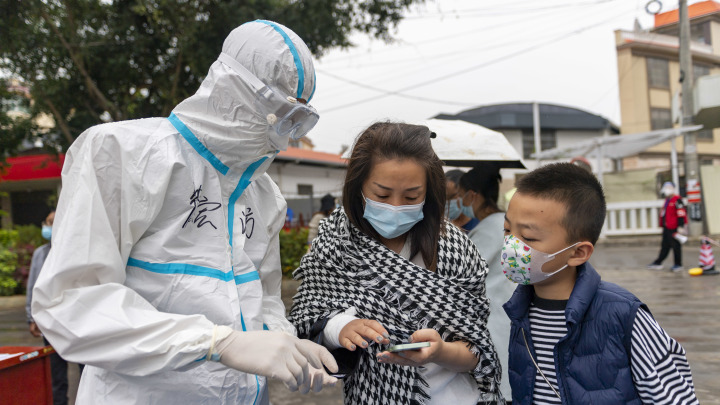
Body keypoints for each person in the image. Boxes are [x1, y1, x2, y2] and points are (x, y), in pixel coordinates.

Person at [31, 20, 338, 404]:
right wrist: (216, 342)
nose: (284, 135)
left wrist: (284, 341)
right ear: (230, 89)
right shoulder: (125, 154)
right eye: (278, 113)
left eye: (297, 120)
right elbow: (73, 301)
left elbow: (264, 295)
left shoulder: (264, 196)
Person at [289, 122, 503, 404]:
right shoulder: (334, 245)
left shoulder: (456, 249)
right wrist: (338, 327)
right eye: (382, 195)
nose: (396, 206)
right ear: (359, 186)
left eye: (412, 196)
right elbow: (305, 320)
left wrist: (439, 352)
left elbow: (478, 352)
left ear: (428, 193)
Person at [502, 163, 698, 404]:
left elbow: (675, 397)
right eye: (507, 229)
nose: (511, 245)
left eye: (529, 237)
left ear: (578, 252)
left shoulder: (624, 315)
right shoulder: (519, 312)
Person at [458, 162, 516, 401]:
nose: (458, 203)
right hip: (511, 320)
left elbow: (460, 279)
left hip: (493, 324)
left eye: (460, 197)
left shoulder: (485, 231)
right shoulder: (509, 224)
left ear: (473, 196)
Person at [26, 210, 84, 405]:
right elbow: (32, 286)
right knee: (56, 374)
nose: (49, 227)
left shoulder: (75, 251)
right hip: (49, 322)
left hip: (75, 321)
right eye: (47, 222)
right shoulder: (40, 254)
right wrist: (31, 317)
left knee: (86, 369)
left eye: (53, 223)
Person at [647, 181, 687, 272]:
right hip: (667, 227)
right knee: (665, 246)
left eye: (669, 187)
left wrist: (680, 226)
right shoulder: (667, 200)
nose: (667, 190)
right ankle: (658, 262)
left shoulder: (677, 200)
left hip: (674, 227)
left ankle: (678, 264)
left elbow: (681, 213)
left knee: (676, 246)